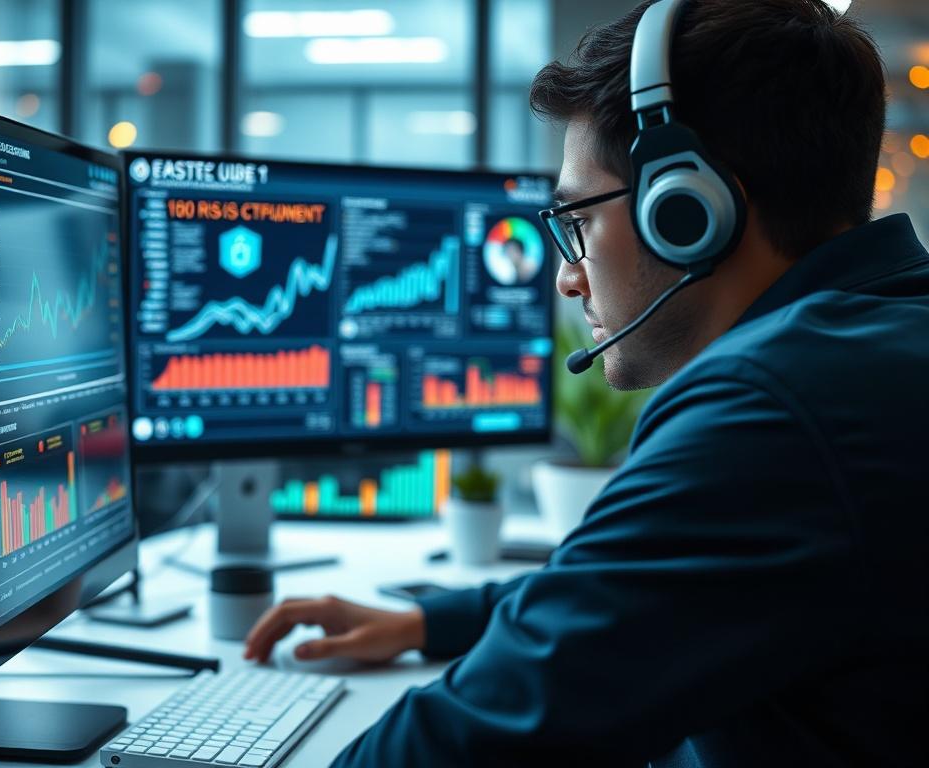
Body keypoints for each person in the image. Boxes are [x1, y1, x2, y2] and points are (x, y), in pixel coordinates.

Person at [245, 0, 929, 764]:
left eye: (577, 220)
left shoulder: (775, 408)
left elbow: (467, 744)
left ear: (691, 211)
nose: (568, 278)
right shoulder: (881, 342)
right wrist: (431, 624)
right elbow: (654, 591)